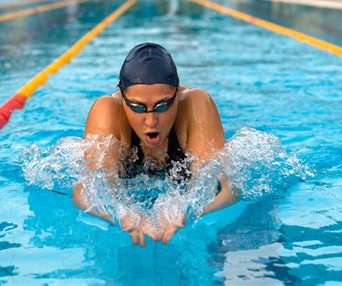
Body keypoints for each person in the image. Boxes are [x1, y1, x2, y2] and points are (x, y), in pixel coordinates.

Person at [73, 43, 238, 246]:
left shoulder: (196, 105)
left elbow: (229, 188)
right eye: (137, 107)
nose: (151, 121)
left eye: (162, 105)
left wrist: (188, 208)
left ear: (177, 94)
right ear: (123, 98)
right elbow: (86, 191)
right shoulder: (107, 112)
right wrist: (120, 213)